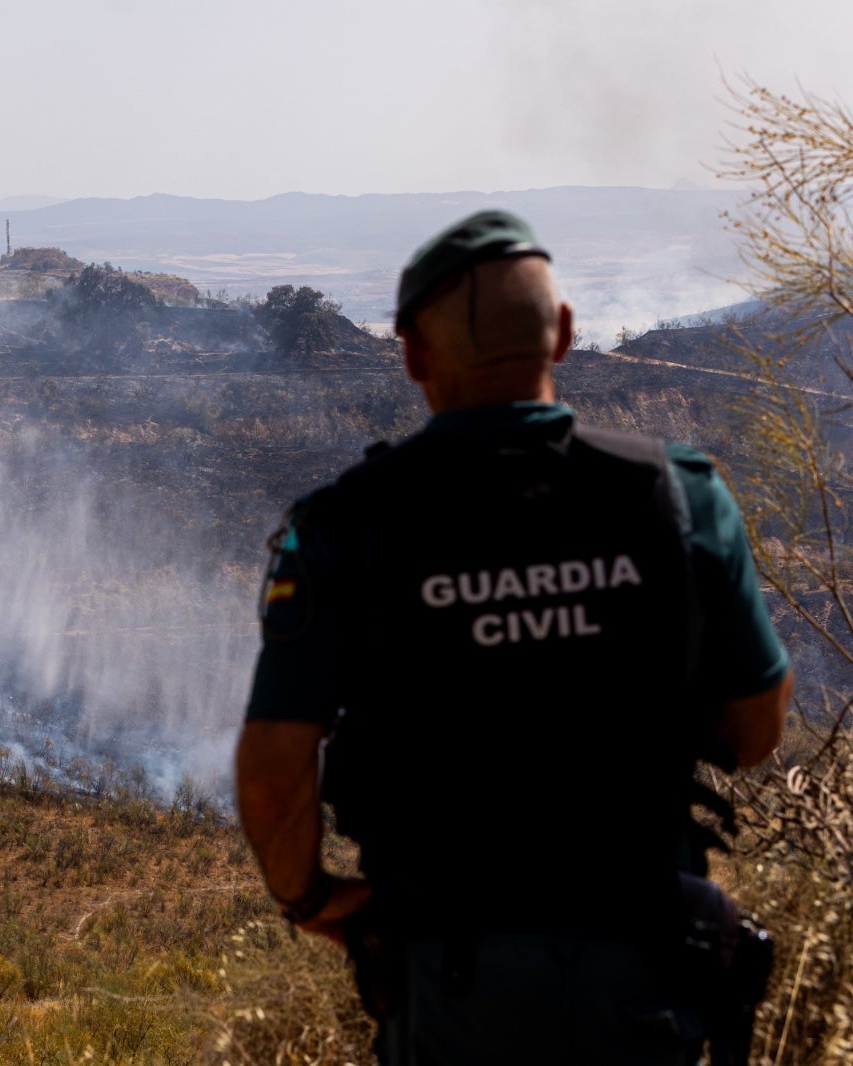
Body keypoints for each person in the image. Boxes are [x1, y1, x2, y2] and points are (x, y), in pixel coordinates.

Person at [235, 210, 793, 1065]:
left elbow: (276, 772)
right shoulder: (681, 496)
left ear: (414, 355)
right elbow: (755, 735)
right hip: (641, 969)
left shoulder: (345, 526)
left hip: (447, 981)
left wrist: (311, 902)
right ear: (563, 334)